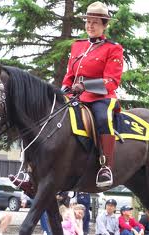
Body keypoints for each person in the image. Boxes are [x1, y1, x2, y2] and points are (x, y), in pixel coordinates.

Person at [61, 1, 123, 188]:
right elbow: (69, 75)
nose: (90, 25)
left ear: (104, 25)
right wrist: (65, 87)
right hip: (75, 96)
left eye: (95, 22)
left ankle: (106, 167)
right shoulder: (77, 46)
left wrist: (85, 86)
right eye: (88, 21)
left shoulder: (113, 48)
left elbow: (112, 81)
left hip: (100, 97)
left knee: (103, 119)